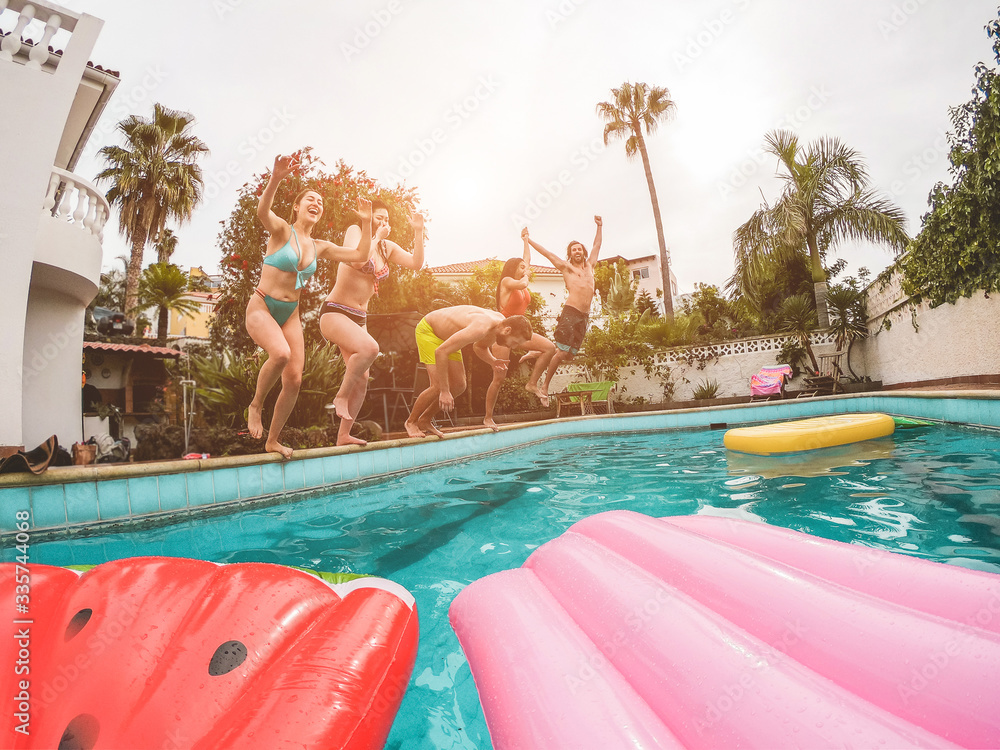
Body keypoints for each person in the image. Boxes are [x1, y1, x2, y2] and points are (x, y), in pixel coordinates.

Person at [246, 154, 373, 458]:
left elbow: (359, 254)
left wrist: (366, 224)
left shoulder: (320, 247)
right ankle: (255, 405)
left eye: (320, 202)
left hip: (290, 315)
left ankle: (273, 440)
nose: (316, 204)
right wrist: (276, 178)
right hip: (262, 306)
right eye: (310, 200)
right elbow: (262, 211)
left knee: (294, 379)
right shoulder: (281, 231)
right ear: (297, 207)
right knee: (280, 354)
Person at [320, 200, 425, 446]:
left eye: (386, 219)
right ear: (367, 217)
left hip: (360, 318)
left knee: (363, 379)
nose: (384, 222)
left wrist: (418, 232)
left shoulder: (387, 247)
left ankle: (343, 435)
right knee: (370, 349)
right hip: (335, 312)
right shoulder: (357, 233)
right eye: (379, 217)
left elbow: (416, 263)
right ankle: (340, 397)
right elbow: (357, 260)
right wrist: (375, 234)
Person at [404, 306, 532, 438]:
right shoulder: (480, 327)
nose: (514, 347)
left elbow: (479, 346)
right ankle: (411, 422)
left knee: (459, 385)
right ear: (507, 330)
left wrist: (493, 361)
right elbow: (441, 352)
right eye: (515, 342)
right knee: (438, 386)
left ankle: (425, 420)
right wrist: (444, 390)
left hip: (446, 338)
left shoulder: (498, 325)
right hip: (429, 331)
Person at [522, 215, 602, 395]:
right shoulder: (566, 268)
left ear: (583, 252)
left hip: (584, 316)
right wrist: (528, 239)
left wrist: (599, 226)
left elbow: (597, 245)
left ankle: (536, 353)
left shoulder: (590, 266)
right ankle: (542, 385)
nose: (577, 252)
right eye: (574, 250)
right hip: (571, 312)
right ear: (570, 253)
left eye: (579, 249)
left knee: (569, 354)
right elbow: (547, 253)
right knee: (560, 353)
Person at [483, 235, 556, 430]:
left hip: (520, 333)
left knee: (550, 348)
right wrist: (526, 273)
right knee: (498, 378)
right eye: (522, 267)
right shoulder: (507, 281)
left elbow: (527, 261)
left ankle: (532, 383)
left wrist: (526, 240)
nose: (526, 270)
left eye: (526, 267)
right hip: (504, 333)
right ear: (513, 268)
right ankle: (488, 417)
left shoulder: (521, 280)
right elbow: (524, 282)